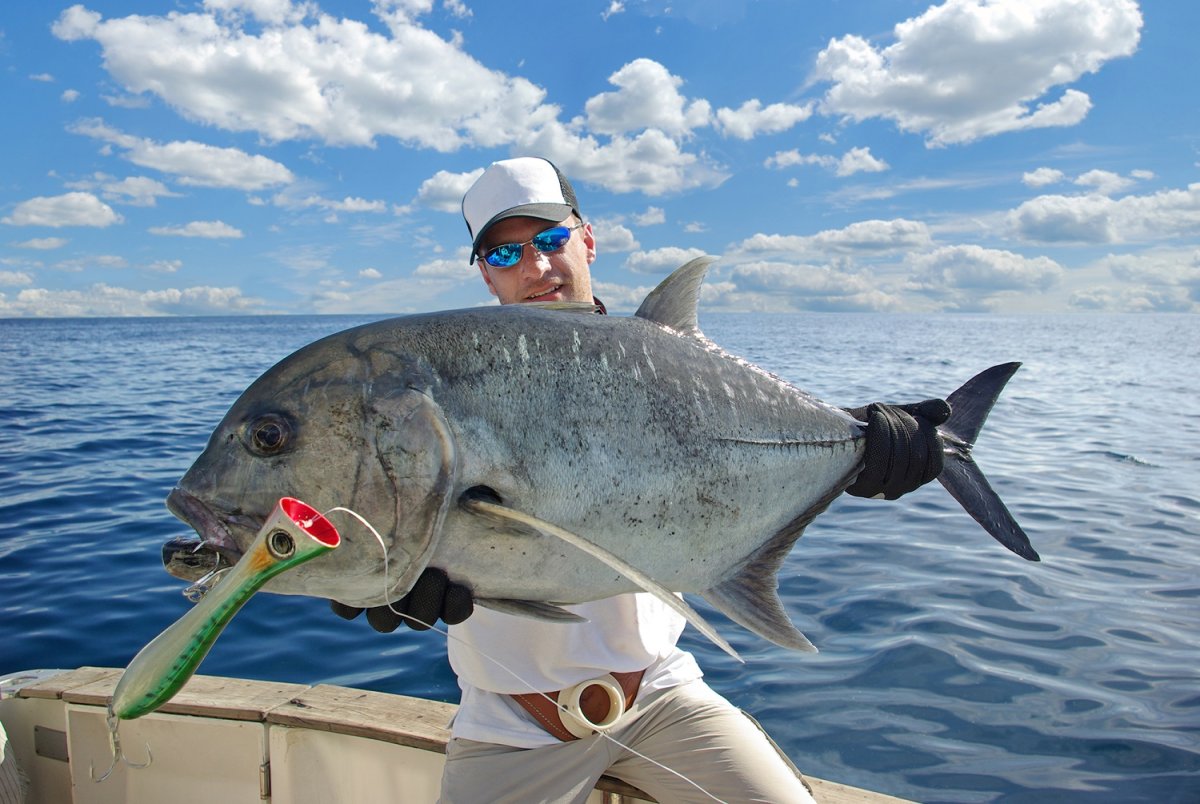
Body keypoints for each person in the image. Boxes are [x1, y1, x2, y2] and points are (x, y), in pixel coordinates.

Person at [332, 156, 950, 803]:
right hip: (511, 725)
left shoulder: (672, 371)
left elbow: (753, 439)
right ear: (485, 273)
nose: (537, 267)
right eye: (506, 254)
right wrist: (375, 564)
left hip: (663, 697)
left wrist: (859, 446)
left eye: (549, 240)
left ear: (587, 238)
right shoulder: (460, 384)